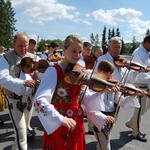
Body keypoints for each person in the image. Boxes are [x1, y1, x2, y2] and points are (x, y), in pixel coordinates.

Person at [0, 32, 42, 150]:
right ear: (14, 44)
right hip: (15, 100)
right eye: (20, 46)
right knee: (22, 136)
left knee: (21, 134)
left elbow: (41, 74)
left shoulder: (34, 57)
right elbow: (2, 78)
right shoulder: (6, 58)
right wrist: (23, 82)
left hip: (29, 101)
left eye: (26, 45)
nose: (23, 49)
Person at [92, 36, 129, 150]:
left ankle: (100, 146)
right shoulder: (102, 60)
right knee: (104, 131)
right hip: (103, 101)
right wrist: (109, 86)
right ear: (108, 47)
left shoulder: (121, 61)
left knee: (110, 127)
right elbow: (95, 80)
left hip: (115, 99)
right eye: (115, 47)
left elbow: (125, 78)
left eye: (120, 47)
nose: (118, 49)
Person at [125, 34, 150, 142]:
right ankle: (136, 131)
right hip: (139, 82)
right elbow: (143, 70)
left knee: (145, 107)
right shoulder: (140, 52)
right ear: (147, 43)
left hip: (144, 81)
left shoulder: (145, 52)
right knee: (140, 108)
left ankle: (131, 122)